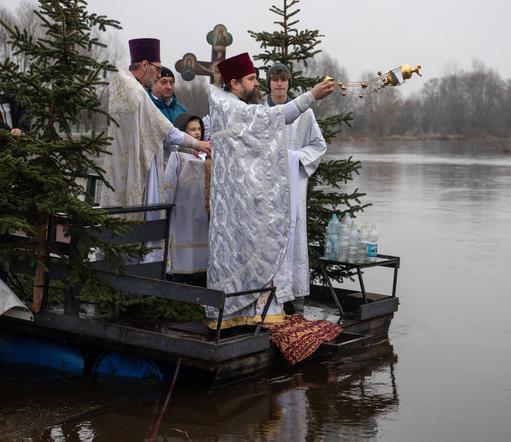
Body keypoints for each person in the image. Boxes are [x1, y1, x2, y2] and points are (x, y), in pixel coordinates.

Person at [206, 52, 335, 328]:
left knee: (249, 247)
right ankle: (239, 314)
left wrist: (294, 159)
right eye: (252, 79)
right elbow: (272, 119)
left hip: (248, 194)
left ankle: (251, 313)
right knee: (248, 248)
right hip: (243, 198)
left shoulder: (229, 102)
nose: (258, 84)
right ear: (234, 83)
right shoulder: (233, 107)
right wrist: (311, 95)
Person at [100, 38, 210, 223]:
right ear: (144, 64)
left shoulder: (122, 84)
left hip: (118, 164)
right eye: (157, 69)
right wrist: (198, 144)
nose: (158, 75)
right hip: (134, 166)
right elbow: (165, 130)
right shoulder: (136, 92)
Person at [266, 63, 327, 312]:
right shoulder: (260, 111)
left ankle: (294, 297)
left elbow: (318, 145)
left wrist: (295, 158)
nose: (279, 84)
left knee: (293, 233)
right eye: (275, 80)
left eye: (283, 80)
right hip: (266, 185)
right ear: (268, 83)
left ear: (289, 83)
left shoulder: (305, 114)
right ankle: (267, 297)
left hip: (294, 185)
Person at [162, 113, 208, 285]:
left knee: (200, 262)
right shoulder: (177, 157)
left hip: (201, 217)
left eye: (199, 129)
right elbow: (168, 187)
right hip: (181, 216)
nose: (197, 133)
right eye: (192, 129)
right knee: (181, 262)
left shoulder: (207, 159)